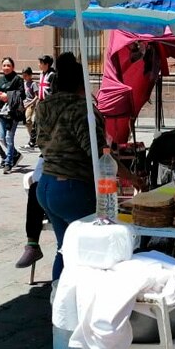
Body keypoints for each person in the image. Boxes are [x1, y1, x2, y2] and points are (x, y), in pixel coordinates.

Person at [35, 52, 139, 281]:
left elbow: (37, 139)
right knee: (91, 249)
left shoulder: (44, 106)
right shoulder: (83, 110)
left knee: (65, 248)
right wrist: (129, 176)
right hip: (72, 188)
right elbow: (100, 155)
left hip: (46, 184)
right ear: (82, 82)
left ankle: (58, 300)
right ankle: (81, 301)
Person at [0, 57, 25, 173]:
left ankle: (8, 163)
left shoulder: (17, 79)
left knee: (9, 137)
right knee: (1, 138)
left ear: (13, 67)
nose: (6, 68)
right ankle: (15, 154)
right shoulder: (1, 79)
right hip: (2, 112)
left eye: (8, 65)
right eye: (4, 65)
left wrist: (8, 96)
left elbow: (22, 94)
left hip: (13, 113)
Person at [31, 55, 56, 149]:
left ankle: (47, 142)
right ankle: (33, 140)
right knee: (36, 121)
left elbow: (52, 90)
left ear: (47, 64)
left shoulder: (52, 75)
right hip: (41, 102)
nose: (39, 65)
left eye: (41, 63)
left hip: (48, 104)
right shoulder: (42, 74)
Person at [22, 66, 39, 148]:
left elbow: (37, 96)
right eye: (23, 75)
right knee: (25, 122)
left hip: (31, 104)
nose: (24, 77)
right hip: (24, 104)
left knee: (28, 120)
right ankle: (33, 137)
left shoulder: (33, 84)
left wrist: (30, 104)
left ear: (30, 75)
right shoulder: (24, 83)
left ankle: (33, 137)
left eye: (25, 75)